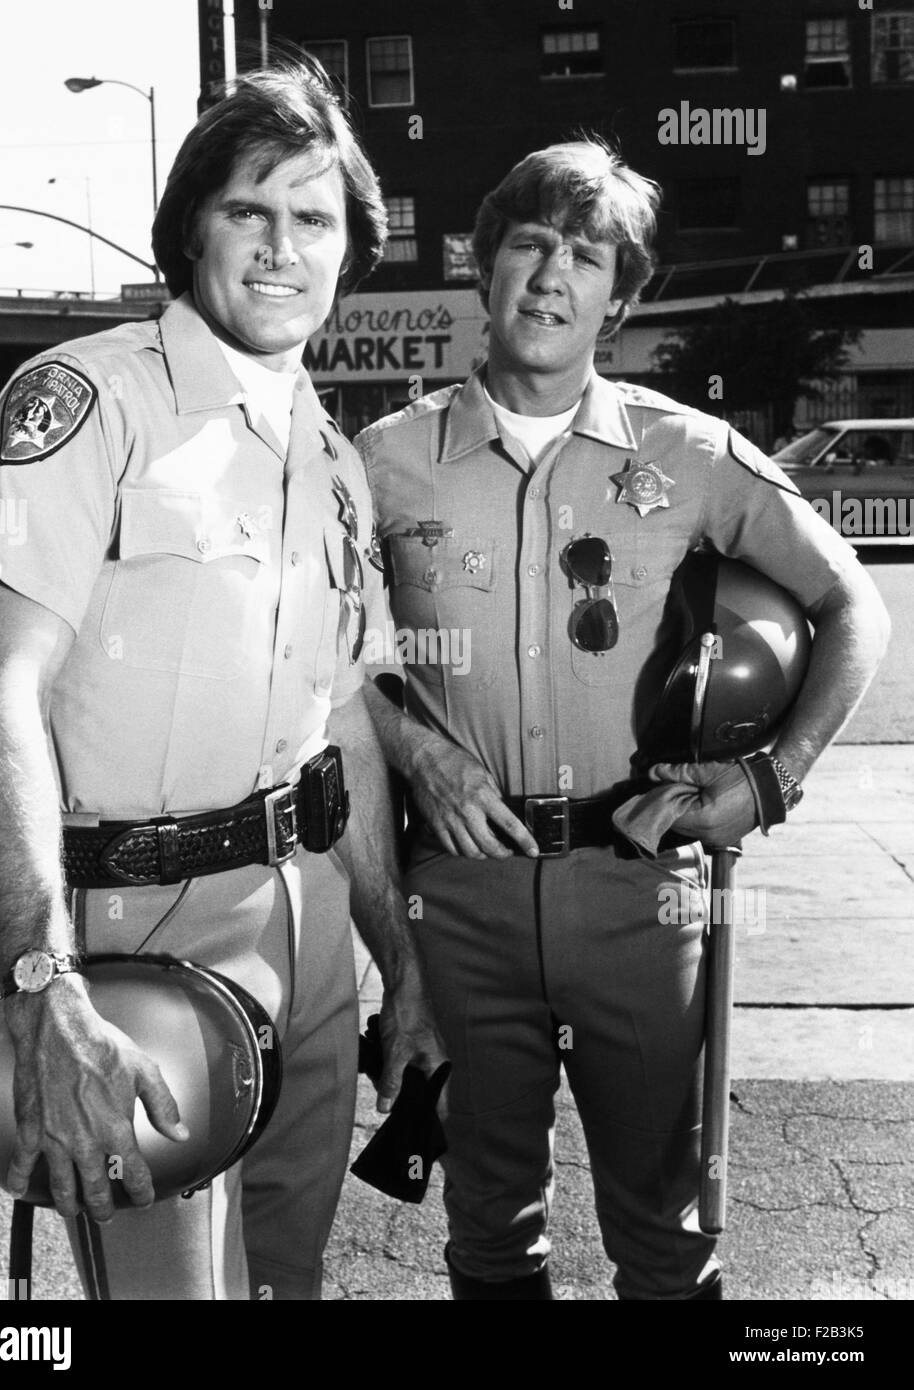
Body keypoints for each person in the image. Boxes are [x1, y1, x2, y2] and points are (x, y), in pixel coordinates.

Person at [0, 55, 444, 1301]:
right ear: (192, 229)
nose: (283, 248)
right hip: (133, 941)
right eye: (249, 210)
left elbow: (345, 726)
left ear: (348, 250)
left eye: (313, 219)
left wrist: (405, 957)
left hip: (310, 928)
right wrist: (42, 983)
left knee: (286, 1283)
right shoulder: (86, 399)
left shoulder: (330, 456)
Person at [355, 138, 890, 1300]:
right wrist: (412, 747)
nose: (553, 275)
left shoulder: (688, 451)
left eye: (586, 256)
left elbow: (853, 604)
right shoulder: (384, 463)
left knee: (664, 1235)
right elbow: (328, 660)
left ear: (621, 295)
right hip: (458, 895)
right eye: (531, 244)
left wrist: (767, 782)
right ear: (484, 263)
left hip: (643, 890)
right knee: (488, 1230)